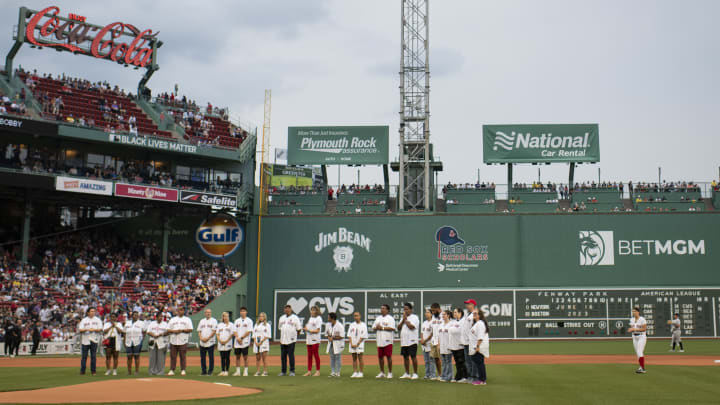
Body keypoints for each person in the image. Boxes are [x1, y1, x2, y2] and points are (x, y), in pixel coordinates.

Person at [167, 306, 193, 376]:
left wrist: (182, 330)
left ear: (183, 311)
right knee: (173, 356)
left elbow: (190, 329)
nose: (179, 311)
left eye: (181, 310)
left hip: (183, 340)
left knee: (183, 356)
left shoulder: (187, 319)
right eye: (178, 310)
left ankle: (183, 369)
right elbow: (168, 329)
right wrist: (174, 331)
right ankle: (172, 370)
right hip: (173, 340)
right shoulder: (172, 319)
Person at [372, 304, 396, 379]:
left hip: (388, 340)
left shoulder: (390, 318)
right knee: (380, 357)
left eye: (384, 308)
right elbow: (373, 327)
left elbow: (392, 328)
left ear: (388, 310)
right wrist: (376, 327)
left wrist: (382, 327)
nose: (382, 310)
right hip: (379, 340)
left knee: (389, 357)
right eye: (381, 308)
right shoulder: (378, 318)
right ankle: (382, 372)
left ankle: (390, 372)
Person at [277, 304, 302, 376]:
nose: (287, 310)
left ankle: (292, 371)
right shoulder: (281, 318)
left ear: (291, 309)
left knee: (291, 356)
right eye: (286, 308)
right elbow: (280, 328)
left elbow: (299, 329)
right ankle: (283, 371)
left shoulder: (295, 318)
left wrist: (294, 336)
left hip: (291, 340)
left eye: (288, 308)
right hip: (283, 340)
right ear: (284, 310)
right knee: (283, 356)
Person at [78, 308, 103, 375]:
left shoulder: (97, 320)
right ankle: (82, 371)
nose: (93, 312)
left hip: (94, 340)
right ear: (88, 312)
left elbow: (100, 329)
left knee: (93, 356)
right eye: (91, 311)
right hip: (85, 340)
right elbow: (80, 330)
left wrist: (94, 330)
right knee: (84, 356)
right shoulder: (84, 320)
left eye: (94, 311)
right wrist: (87, 329)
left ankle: (93, 371)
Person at [398, 302, 420, 379]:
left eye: (407, 309)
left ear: (411, 310)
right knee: (405, 357)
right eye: (404, 309)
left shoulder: (415, 317)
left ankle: (415, 373)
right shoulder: (402, 318)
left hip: (412, 340)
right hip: (404, 341)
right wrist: (403, 320)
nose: (405, 311)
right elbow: (399, 328)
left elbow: (411, 327)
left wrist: (406, 320)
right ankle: (407, 373)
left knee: (413, 356)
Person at [469, 309, 490, 385]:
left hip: (478, 346)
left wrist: (477, 346)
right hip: (475, 346)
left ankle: (482, 380)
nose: (474, 314)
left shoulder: (480, 323)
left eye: (476, 313)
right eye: (473, 313)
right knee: (478, 362)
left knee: (480, 363)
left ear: (480, 315)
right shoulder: (477, 323)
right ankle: (481, 378)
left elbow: (480, 337)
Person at [233, 307, 254, 376]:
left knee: (245, 357)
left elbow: (249, 331)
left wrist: (241, 338)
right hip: (237, 341)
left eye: (244, 311)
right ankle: (238, 371)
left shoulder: (249, 321)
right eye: (241, 311)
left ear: (246, 312)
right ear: (240, 312)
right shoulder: (237, 321)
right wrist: (237, 338)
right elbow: (234, 331)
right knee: (237, 357)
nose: (242, 312)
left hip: (245, 341)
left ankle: (245, 371)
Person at [302, 306, 323, 376]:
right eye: (311, 310)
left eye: (314, 310)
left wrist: (308, 330)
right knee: (309, 355)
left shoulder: (318, 318)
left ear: (317, 311)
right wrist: (305, 328)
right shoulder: (310, 318)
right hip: (309, 339)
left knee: (315, 354)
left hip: (315, 339)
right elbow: (308, 327)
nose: (312, 311)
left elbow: (317, 330)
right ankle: (309, 371)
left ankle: (318, 371)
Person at [197, 308, 218, 376]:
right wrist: (201, 338)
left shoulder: (214, 321)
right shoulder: (201, 321)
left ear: (211, 313)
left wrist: (208, 338)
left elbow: (214, 331)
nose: (208, 313)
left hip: (210, 342)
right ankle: (203, 371)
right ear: (205, 313)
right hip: (202, 342)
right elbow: (199, 331)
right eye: (207, 312)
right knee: (202, 358)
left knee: (211, 357)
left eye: (209, 312)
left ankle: (210, 371)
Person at [461, 299, 478, 381]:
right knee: (468, 361)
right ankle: (470, 376)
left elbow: (475, 328)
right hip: (466, 341)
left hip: (471, 342)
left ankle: (475, 377)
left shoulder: (474, 315)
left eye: (468, 304)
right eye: (466, 304)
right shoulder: (468, 314)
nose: (467, 305)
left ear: (473, 305)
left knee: (473, 361)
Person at [450, 308, 468, 382]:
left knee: (462, 362)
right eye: (454, 312)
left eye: (456, 312)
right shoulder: (454, 322)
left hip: (461, 345)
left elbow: (459, 331)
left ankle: (465, 376)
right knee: (457, 362)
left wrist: (453, 330)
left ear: (460, 313)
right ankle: (458, 376)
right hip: (454, 345)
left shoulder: (463, 321)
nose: (454, 314)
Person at [347, 311, 368, 378]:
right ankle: (355, 372)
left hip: (360, 344)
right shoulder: (352, 325)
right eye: (355, 316)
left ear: (360, 316)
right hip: (352, 344)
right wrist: (351, 343)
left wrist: (358, 343)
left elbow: (363, 336)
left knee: (360, 357)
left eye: (357, 315)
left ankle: (361, 372)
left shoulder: (363, 325)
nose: (356, 317)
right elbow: (349, 335)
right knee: (354, 358)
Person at [124, 311, 145, 375]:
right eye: (134, 315)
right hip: (128, 341)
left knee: (137, 356)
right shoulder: (127, 323)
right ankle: (129, 371)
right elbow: (124, 332)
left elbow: (144, 331)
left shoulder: (141, 323)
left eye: (137, 315)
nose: (135, 316)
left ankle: (136, 371)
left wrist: (141, 339)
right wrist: (124, 341)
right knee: (129, 357)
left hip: (137, 341)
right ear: (132, 316)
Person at [628, 306, 647, 374]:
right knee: (638, 353)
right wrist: (631, 329)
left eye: (635, 311)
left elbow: (644, 329)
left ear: (638, 312)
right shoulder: (631, 319)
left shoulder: (642, 319)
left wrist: (634, 329)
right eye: (633, 311)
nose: (634, 312)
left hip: (641, 336)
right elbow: (632, 328)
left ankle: (643, 368)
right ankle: (640, 367)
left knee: (639, 351)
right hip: (634, 337)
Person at [216, 312, 235, 376]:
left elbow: (232, 334)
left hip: (228, 343)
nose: (226, 318)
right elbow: (217, 334)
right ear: (223, 317)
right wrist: (220, 340)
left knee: (227, 357)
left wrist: (226, 341)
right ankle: (222, 370)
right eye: (225, 316)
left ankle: (226, 370)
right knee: (222, 357)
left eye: (227, 316)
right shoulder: (219, 325)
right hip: (221, 343)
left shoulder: (231, 325)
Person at [327, 312, 345, 377]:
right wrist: (329, 337)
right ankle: (333, 372)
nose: (328, 319)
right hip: (331, 344)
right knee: (332, 358)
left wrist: (333, 338)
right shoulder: (328, 325)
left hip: (338, 344)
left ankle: (338, 372)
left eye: (329, 317)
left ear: (332, 318)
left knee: (337, 357)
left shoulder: (340, 326)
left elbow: (342, 336)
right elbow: (327, 334)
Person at [420, 309, 437, 380]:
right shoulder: (424, 323)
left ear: (431, 314)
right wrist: (422, 340)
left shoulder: (433, 322)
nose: (426, 314)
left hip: (430, 343)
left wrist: (425, 340)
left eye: (428, 312)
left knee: (431, 360)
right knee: (426, 361)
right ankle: (427, 375)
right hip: (424, 344)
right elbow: (422, 333)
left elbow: (432, 333)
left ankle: (432, 375)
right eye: (425, 312)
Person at [253, 312, 271, 376]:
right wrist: (255, 341)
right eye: (260, 316)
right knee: (257, 358)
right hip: (257, 343)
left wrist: (261, 341)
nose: (261, 317)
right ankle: (258, 371)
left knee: (264, 358)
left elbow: (268, 335)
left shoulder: (267, 325)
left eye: (262, 316)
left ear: (264, 317)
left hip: (264, 343)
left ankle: (265, 371)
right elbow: (254, 334)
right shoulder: (256, 324)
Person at [438, 310, 453, 382]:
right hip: (442, 346)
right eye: (442, 315)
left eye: (444, 314)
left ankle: (449, 376)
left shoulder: (451, 324)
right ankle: (443, 376)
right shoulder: (441, 325)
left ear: (448, 315)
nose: (443, 316)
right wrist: (438, 345)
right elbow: (439, 336)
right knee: (443, 362)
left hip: (448, 346)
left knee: (448, 362)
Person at [429, 303, 443, 378]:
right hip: (434, 340)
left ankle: (446, 374)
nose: (433, 312)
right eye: (432, 311)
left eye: (434, 310)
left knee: (443, 359)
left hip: (441, 341)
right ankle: (440, 374)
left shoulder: (443, 316)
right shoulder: (434, 317)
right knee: (436, 358)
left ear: (438, 309)